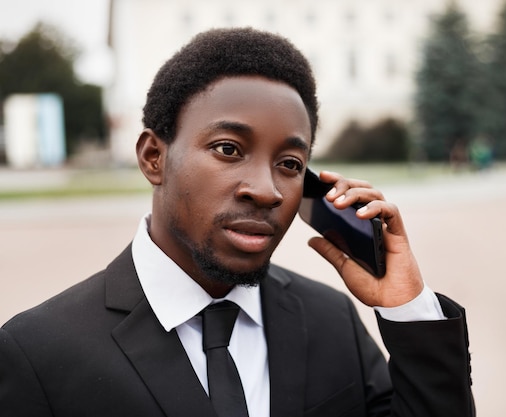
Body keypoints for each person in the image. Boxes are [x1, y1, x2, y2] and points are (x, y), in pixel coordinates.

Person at [0, 28, 474, 417]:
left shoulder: (330, 320)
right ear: (153, 157)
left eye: (289, 163)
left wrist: (407, 308)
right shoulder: (38, 352)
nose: (266, 190)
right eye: (228, 149)